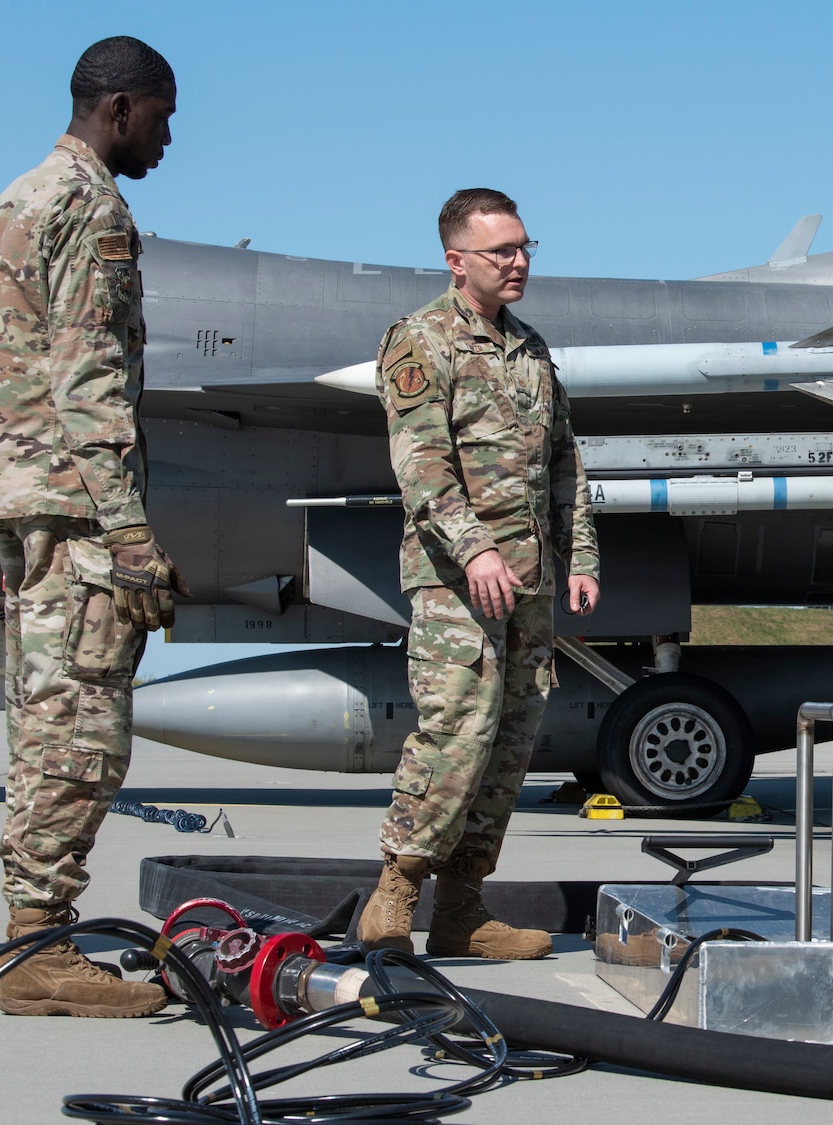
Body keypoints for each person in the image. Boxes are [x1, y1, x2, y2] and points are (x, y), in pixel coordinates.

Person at [0, 36, 182, 1018]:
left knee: (47, 726)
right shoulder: (91, 207)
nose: (170, 138)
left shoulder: (20, 196)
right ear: (122, 108)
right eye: (164, 116)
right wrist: (132, 539)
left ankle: (35, 937)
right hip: (77, 503)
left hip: (27, 498)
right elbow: (89, 380)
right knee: (83, 735)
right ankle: (39, 952)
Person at [355, 188, 600, 960]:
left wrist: (580, 554)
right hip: (456, 579)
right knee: (456, 734)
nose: (520, 261)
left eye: (525, 247)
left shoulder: (531, 349)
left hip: (528, 584)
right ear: (457, 261)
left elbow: (564, 461)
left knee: (510, 743)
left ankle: (462, 907)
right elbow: (421, 466)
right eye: (503, 251)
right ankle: (394, 894)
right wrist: (476, 549)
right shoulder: (419, 340)